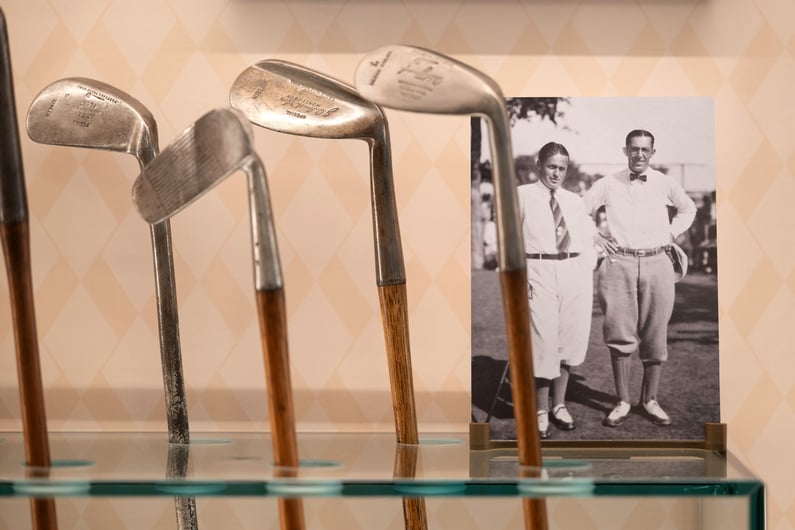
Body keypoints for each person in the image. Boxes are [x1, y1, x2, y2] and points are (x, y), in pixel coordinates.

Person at [583, 129, 696, 427]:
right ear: (625, 150)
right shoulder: (608, 183)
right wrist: (596, 236)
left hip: (658, 261)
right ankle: (622, 401)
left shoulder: (664, 183)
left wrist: (670, 233)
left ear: (653, 152)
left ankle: (650, 400)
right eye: (634, 149)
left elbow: (688, 209)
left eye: (645, 149)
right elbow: (579, 211)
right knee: (619, 332)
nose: (639, 154)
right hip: (619, 263)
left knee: (655, 333)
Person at [517, 142, 595, 438]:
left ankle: (559, 405)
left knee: (568, 340)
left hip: (572, 272)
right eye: (552, 167)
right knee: (543, 339)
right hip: (537, 271)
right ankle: (540, 409)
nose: (557, 173)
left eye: (562, 168)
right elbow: (509, 240)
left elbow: (587, 236)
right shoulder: (521, 195)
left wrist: (585, 267)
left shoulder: (574, 200)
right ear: (539, 165)